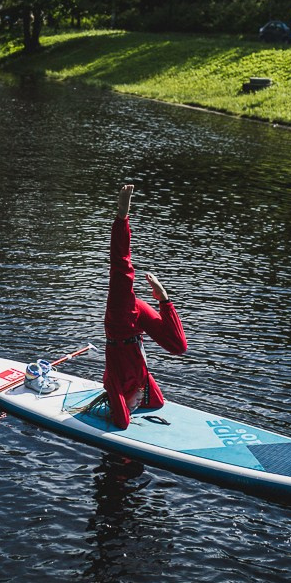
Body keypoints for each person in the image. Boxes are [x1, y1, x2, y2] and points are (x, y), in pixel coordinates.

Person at [103, 184, 187, 429]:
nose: (140, 401)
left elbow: (122, 422)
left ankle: (122, 216)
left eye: (135, 403)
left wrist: (123, 407)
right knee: (178, 346)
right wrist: (162, 301)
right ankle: (165, 298)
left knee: (122, 270)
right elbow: (157, 402)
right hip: (136, 326)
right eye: (140, 401)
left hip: (120, 322)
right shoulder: (140, 384)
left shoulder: (113, 384)